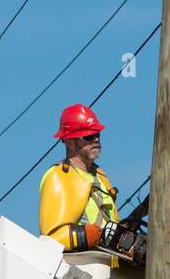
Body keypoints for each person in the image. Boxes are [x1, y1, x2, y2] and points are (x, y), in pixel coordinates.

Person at [39, 103, 119, 251]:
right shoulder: (58, 176)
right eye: (88, 136)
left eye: (97, 134)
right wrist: (85, 236)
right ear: (69, 142)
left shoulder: (101, 176)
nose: (96, 139)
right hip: (80, 266)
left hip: (108, 266)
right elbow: (51, 237)